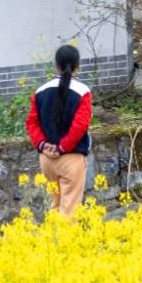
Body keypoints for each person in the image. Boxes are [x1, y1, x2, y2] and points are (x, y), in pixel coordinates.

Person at [25, 45, 92, 220]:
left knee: (53, 207)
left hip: (46, 160)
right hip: (71, 159)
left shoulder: (40, 91)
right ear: (78, 65)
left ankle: (52, 244)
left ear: (56, 65)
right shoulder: (83, 92)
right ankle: (64, 246)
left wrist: (42, 145)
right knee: (70, 212)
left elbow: (32, 122)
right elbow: (80, 126)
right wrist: (62, 148)